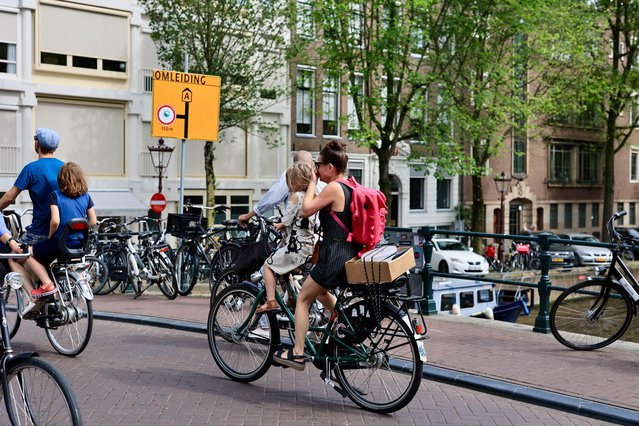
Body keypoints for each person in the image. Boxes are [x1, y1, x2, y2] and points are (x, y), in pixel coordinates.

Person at [273, 141, 361, 370]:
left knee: (302, 298)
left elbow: (305, 210)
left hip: (334, 256)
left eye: (319, 165)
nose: (317, 169)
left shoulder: (333, 188)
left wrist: (312, 182)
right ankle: (347, 326)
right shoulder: (350, 186)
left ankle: (298, 353)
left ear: (330, 167)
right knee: (320, 292)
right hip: (347, 255)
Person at [10, 162, 96, 316]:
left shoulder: (56, 195)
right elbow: (93, 221)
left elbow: (55, 221)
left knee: (25, 252)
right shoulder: (86, 196)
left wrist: (50, 236)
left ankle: (47, 284)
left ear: (61, 179)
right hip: (79, 245)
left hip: (60, 243)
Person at [255, 162, 319, 313]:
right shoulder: (312, 197)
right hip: (309, 246)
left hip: (296, 247)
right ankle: (291, 298)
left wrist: (280, 224)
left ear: (294, 181)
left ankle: (271, 301)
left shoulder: (296, 196)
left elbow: (288, 218)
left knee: (268, 266)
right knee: (283, 271)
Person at [0, 128, 64, 245]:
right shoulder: (65, 168)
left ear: (38, 144)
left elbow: (9, 197)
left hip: (39, 232)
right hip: (62, 232)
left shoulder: (31, 168)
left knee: (12, 255)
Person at [238, 150, 315, 225]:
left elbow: (273, 198)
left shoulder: (293, 180)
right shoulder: (316, 178)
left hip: (296, 233)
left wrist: (249, 215)